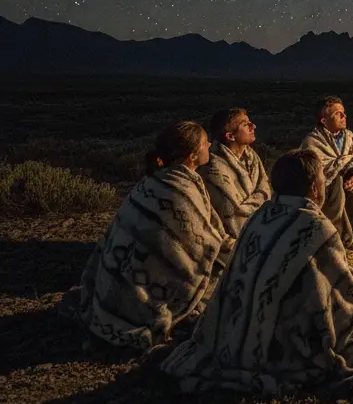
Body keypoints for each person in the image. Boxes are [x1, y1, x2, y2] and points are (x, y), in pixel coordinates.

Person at [162, 148, 353, 394]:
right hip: (290, 340)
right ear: (315, 189)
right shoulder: (316, 228)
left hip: (239, 331)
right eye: (321, 181)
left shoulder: (258, 218)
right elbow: (345, 295)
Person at [61, 122, 228, 350]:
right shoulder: (178, 191)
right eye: (204, 142)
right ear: (192, 155)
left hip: (119, 283)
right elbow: (205, 246)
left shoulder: (156, 180)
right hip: (140, 297)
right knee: (223, 275)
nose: (209, 145)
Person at [300, 96, 353, 244]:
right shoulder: (312, 142)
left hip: (348, 187)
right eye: (338, 114)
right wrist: (337, 171)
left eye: (343, 113)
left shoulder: (351, 139)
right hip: (326, 194)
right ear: (324, 120)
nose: (344, 117)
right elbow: (314, 174)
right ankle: (330, 233)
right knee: (336, 183)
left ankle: (350, 231)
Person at [200, 107, 271, 239]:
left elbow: (265, 188)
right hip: (230, 238)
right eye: (246, 124)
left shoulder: (252, 157)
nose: (253, 126)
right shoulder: (214, 168)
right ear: (230, 136)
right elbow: (232, 210)